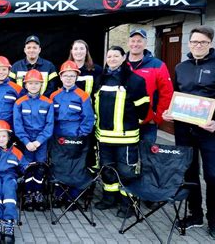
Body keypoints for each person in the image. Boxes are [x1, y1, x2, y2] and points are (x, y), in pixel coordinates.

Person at [163, 26, 215, 241]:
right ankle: (196, 215)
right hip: (184, 130)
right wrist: (169, 112)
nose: (197, 46)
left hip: (209, 131)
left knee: (212, 175)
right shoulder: (181, 67)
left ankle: (214, 219)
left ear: (210, 43)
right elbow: (175, 95)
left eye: (202, 42)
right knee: (189, 173)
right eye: (194, 42)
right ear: (189, 43)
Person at [93, 46, 150, 218]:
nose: (112, 59)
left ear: (123, 57)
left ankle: (128, 204)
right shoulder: (100, 79)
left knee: (126, 172)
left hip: (126, 138)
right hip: (103, 136)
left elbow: (143, 109)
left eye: (116, 56)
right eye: (109, 56)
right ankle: (110, 199)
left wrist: (130, 121)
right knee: (107, 169)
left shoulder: (135, 80)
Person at [49, 61, 95, 209]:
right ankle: (59, 194)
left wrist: (80, 135)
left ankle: (72, 197)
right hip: (57, 138)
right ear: (61, 77)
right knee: (58, 165)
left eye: (72, 75)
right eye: (66, 75)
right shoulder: (54, 95)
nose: (68, 78)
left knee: (75, 167)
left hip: (76, 138)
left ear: (76, 77)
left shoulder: (83, 96)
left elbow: (88, 118)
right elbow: (50, 118)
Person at [13, 69, 54, 212]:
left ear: (41, 84)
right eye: (30, 83)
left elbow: (50, 126)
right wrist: (26, 142)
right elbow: (17, 125)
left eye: (37, 83)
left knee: (40, 167)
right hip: (26, 142)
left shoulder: (48, 103)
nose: (34, 86)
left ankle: (39, 193)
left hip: (41, 142)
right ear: (25, 85)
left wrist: (38, 141)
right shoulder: (19, 103)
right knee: (27, 168)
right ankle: (28, 194)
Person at [127, 29, 173, 143]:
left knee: (147, 158)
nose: (135, 44)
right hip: (124, 121)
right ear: (128, 43)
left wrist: (157, 117)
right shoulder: (120, 63)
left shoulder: (157, 65)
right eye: (133, 41)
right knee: (126, 159)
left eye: (139, 41)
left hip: (147, 123)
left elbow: (167, 93)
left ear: (145, 43)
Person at [68, 39, 103, 173]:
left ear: (86, 51)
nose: (78, 52)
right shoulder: (66, 69)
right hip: (71, 118)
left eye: (82, 48)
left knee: (89, 149)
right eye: (75, 49)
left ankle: (89, 185)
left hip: (90, 117)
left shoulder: (96, 70)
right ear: (71, 51)